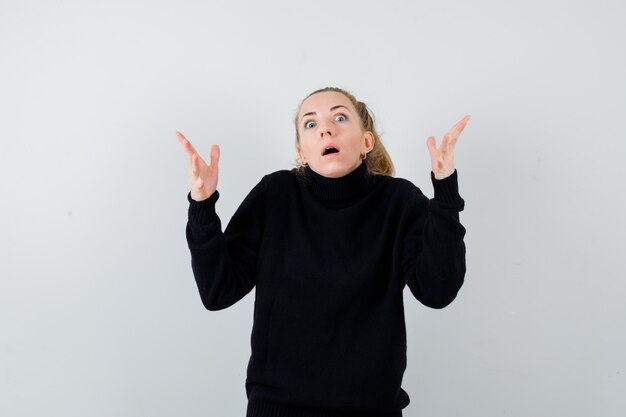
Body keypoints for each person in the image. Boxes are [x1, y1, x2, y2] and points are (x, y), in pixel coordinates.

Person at [177, 87, 470, 417]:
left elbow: (437, 290)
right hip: (278, 408)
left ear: (366, 142)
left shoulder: (399, 202)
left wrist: (445, 194)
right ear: (302, 152)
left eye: (340, 118)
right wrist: (202, 206)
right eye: (311, 124)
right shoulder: (275, 195)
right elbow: (218, 291)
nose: (326, 129)